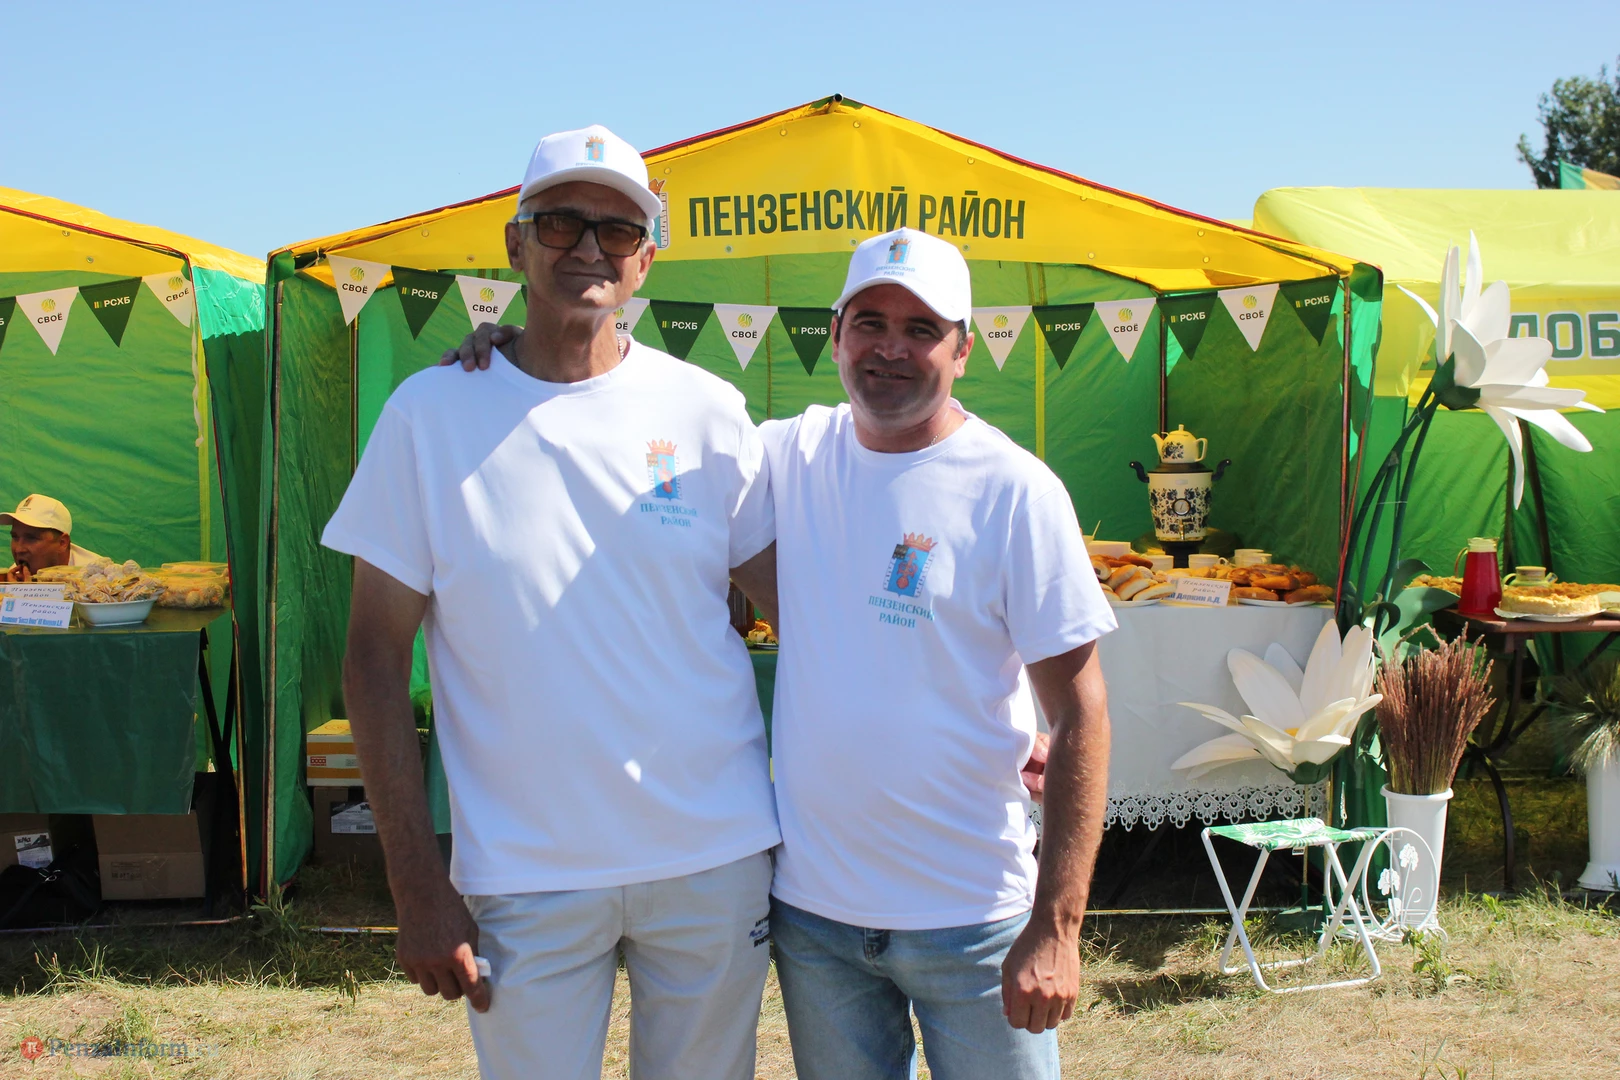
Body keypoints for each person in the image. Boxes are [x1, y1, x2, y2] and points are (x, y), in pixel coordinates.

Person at [451, 227, 1115, 1078]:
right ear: (834, 335)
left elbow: (1084, 710)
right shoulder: (784, 455)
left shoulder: (1015, 491)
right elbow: (628, 412)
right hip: (817, 921)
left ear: (964, 348)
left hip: (974, 915)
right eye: (869, 322)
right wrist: (525, 348)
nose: (890, 348)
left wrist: (1057, 926)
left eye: (921, 329)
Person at [323, 125, 781, 1080]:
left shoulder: (706, 410)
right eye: (562, 222)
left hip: (712, 855)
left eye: (619, 230)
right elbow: (371, 661)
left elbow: (812, 609)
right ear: (515, 243)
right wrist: (415, 882)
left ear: (647, 258)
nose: (589, 249)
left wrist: (1001, 714)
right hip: (525, 873)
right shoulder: (429, 416)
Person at [3, 494, 102, 581]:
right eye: (15, 537)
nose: (19, 549)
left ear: (62, 543)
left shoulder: (99, 577)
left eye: (31, 538)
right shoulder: (15, 576)